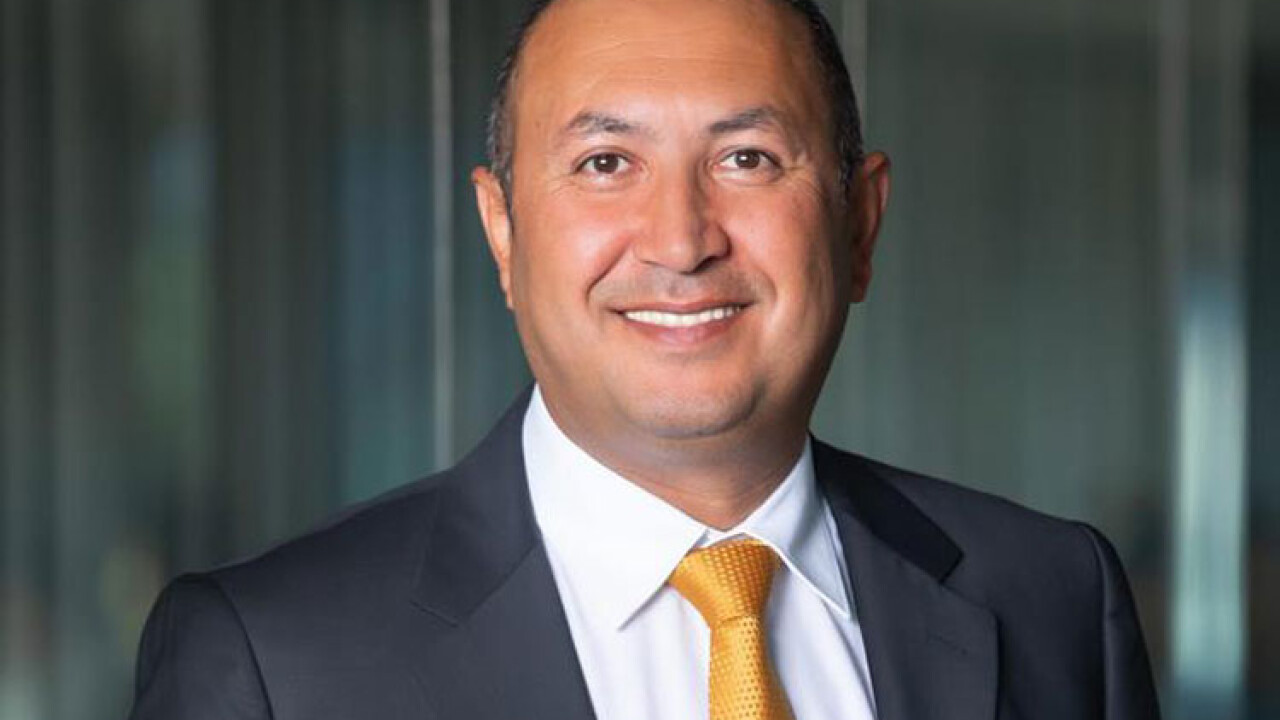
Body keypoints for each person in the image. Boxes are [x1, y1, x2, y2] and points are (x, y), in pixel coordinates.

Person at [128, 0, 1161, 718]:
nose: (679, 240)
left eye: (746, 159)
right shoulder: (272, 661)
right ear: (502, 233)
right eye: (605, 162)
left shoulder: (1052, 597)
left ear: (859, 224)